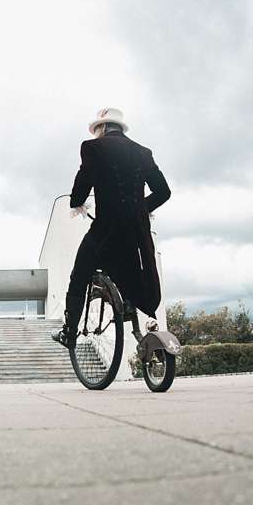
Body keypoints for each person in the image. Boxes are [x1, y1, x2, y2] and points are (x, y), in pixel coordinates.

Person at [53, 107, 171, 346]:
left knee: (79, 274)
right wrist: (141, 209)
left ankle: (69, 331)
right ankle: (128, 303)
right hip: (136, 235)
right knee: (129, 267)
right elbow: (163, 192)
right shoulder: (143, 152)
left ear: (103, 127)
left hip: (106, 230)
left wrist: (76, 203)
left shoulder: (93, 147)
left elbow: (82, 183)